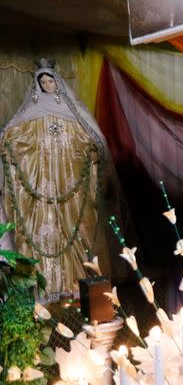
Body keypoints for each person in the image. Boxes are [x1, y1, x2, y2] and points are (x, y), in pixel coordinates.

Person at [0, 59, 110, 301]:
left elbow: (91, 140)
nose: (47, 85)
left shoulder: (73, 114)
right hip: (42, 191)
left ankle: (75, 285)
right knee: (43, 235)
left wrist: (87, 151)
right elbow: (16, 140)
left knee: (73, 233)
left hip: (69, 188)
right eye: (43, 82)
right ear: (37, 86)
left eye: (51, 80)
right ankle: (47, 288)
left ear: (57, 82)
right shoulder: (31, 116)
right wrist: (8, 144)